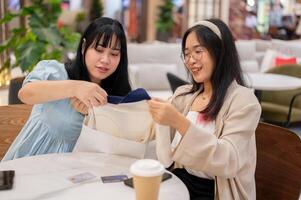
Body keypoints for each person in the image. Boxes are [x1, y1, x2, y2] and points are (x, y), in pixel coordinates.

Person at [148, 19, 261, 200]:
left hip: (215, 191)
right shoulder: (184, 95)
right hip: (180, 182)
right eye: (186, 54)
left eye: (198, 51)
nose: (191, 60)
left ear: (220, 52)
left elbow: (228, 160)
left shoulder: (244, 101)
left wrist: (179, 121)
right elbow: (163, 154)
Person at [3, 17, 131, 161]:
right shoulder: (56, 72)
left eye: (114, 54)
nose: (105, 60)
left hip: (79, 173)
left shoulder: (117, 95)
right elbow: (26, 93)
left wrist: (94, 116)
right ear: (83, 47)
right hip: (31, 163)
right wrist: (76, 87)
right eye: (99, 50)